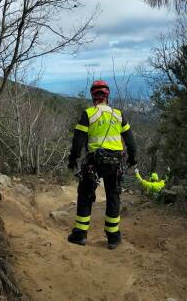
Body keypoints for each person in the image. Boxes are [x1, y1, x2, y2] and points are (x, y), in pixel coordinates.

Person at [66, 80, 137, 250]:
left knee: (85, 194)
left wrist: (73, 160)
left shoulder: (88, 114)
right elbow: (131, 141)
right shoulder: (119, 114)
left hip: (94, 163)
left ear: (93, 96)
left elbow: (78, 141)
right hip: (115, 163)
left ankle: (80, 235)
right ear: (107, 96)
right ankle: (113, 237)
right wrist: (132, 158)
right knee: (113, 196)